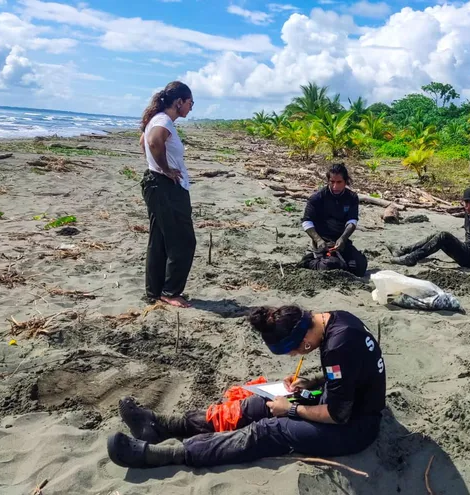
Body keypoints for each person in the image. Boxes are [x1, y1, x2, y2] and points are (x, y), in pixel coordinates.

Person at [107, 305, 386, 468]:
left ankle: (163, 455)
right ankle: (163, 425)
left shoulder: (337, 346)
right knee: (258, 404)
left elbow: (338, 414)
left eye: (291, 352)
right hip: (340, 400)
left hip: (354, 426)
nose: (294, 357)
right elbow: (348, 373)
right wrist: (310, 382)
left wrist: (291, 409)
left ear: (304, 342)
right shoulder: (336, 320)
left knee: (269, 430)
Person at [139, 81, 196, 308]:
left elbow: (143, 141)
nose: (191, 108)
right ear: (178, 102)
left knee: (160, 240)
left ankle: (155, 291)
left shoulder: (158, 119)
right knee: (183, 241)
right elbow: (152, 142)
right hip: (164, 186)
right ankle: (170, 291)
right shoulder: (163, 120)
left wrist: (157, 166)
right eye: (190, 103)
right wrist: (165, 169)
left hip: (156, 184)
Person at [389, 187, 470, 272]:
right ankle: (403, 251)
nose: (468, 206)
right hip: (466, 251)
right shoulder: (468, 212)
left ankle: (411, 259)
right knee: (436, 236)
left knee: (443, 236)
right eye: (466, 202)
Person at [300, 164, 368, 276]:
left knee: (360, 266)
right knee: (331, 266)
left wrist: (343, 238)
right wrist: (318, 240)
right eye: (332, 182)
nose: (335, 186)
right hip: (322, 241)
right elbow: (306, 221)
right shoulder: (317, 198)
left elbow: (352, 221)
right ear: (328, 181)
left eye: (339, 182)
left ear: (346, 181)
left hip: (341, 241)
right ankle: (309, 261)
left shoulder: (351, 197)